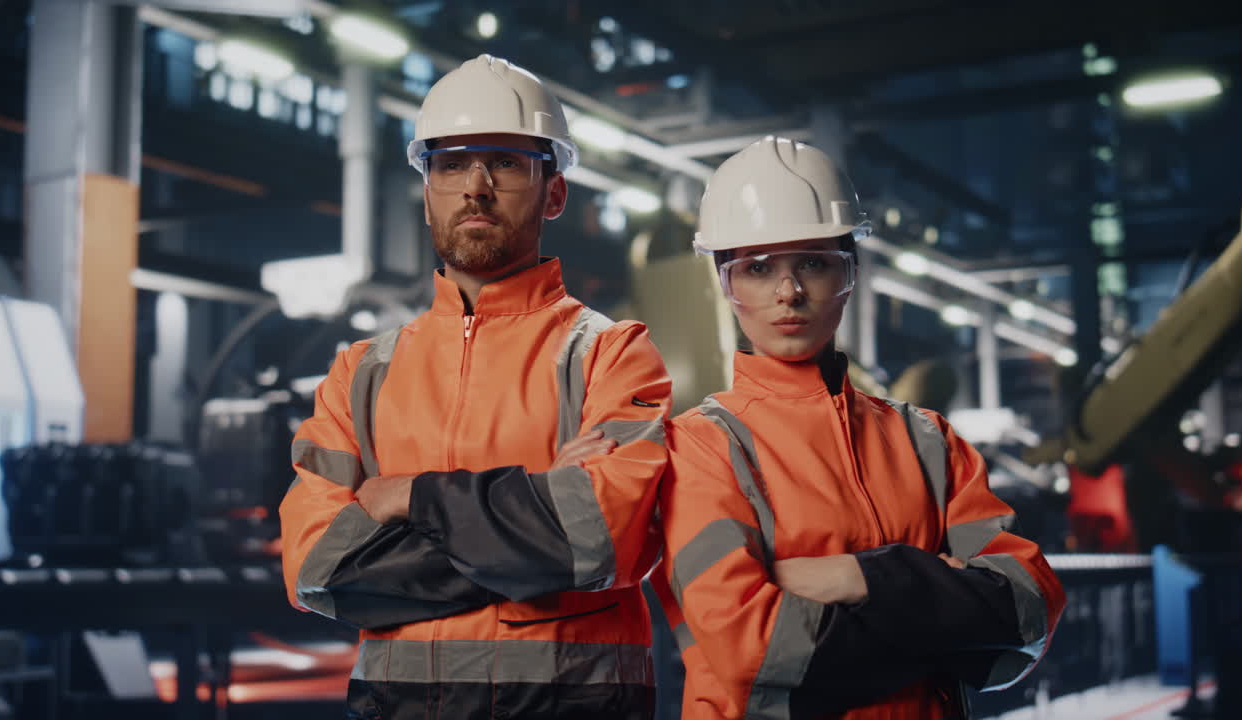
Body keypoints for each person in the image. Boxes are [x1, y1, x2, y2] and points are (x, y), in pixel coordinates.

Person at [279, 55, 672, 719]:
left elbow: (596, 542)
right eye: (451, 164)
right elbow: (316, 568)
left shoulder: (610, 353)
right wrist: (538, 505)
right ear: (427, 186)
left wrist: (402, 497)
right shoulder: (362, 373)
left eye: (508, 163)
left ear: (553, 192)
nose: (476, 187)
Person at [656, 136, 1066, 719]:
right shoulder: (697, 448)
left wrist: (862, 576)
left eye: (814, 263)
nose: (788, 292)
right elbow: (756, 653)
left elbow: (1029, 607)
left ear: (850, 272)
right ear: (725, 283)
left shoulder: (928, 440)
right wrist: (941, 614)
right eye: (758, 268)